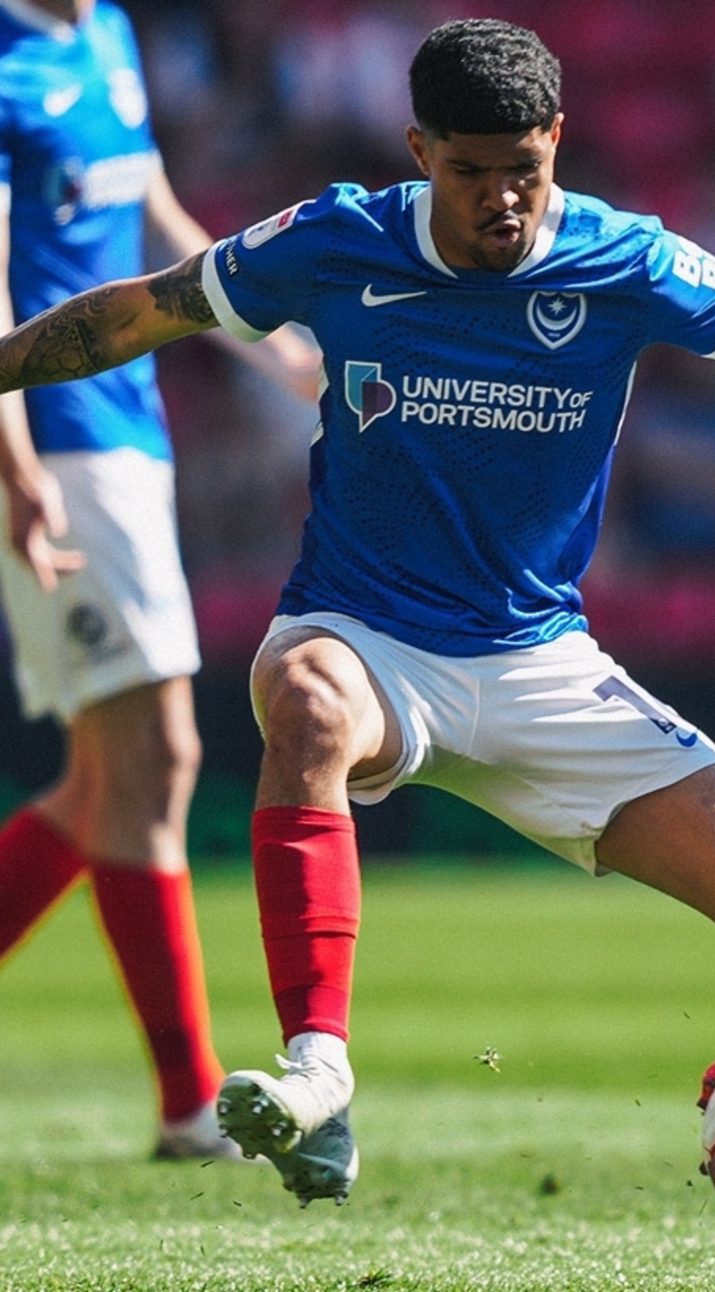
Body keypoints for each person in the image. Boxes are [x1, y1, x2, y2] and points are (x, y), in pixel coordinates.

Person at [0, 18, 715, 1291]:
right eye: (472, 170)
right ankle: (320, 1071)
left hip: (543, 663)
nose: (504, 199)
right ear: (421, 152)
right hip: (368, 640)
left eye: (525, 166)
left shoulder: (622, 257)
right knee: (300, 697)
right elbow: (136, 312)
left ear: (559, 145)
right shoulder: (334, 240)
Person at [0, 0, 317, 1161]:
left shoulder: (110, 34)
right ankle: (188, 1103)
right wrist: (18, 469)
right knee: (151, 760)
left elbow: (154, 208)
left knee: (109, 781)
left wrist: (261, 333)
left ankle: (185, 1102)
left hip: (125, 426)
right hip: (55, 436)